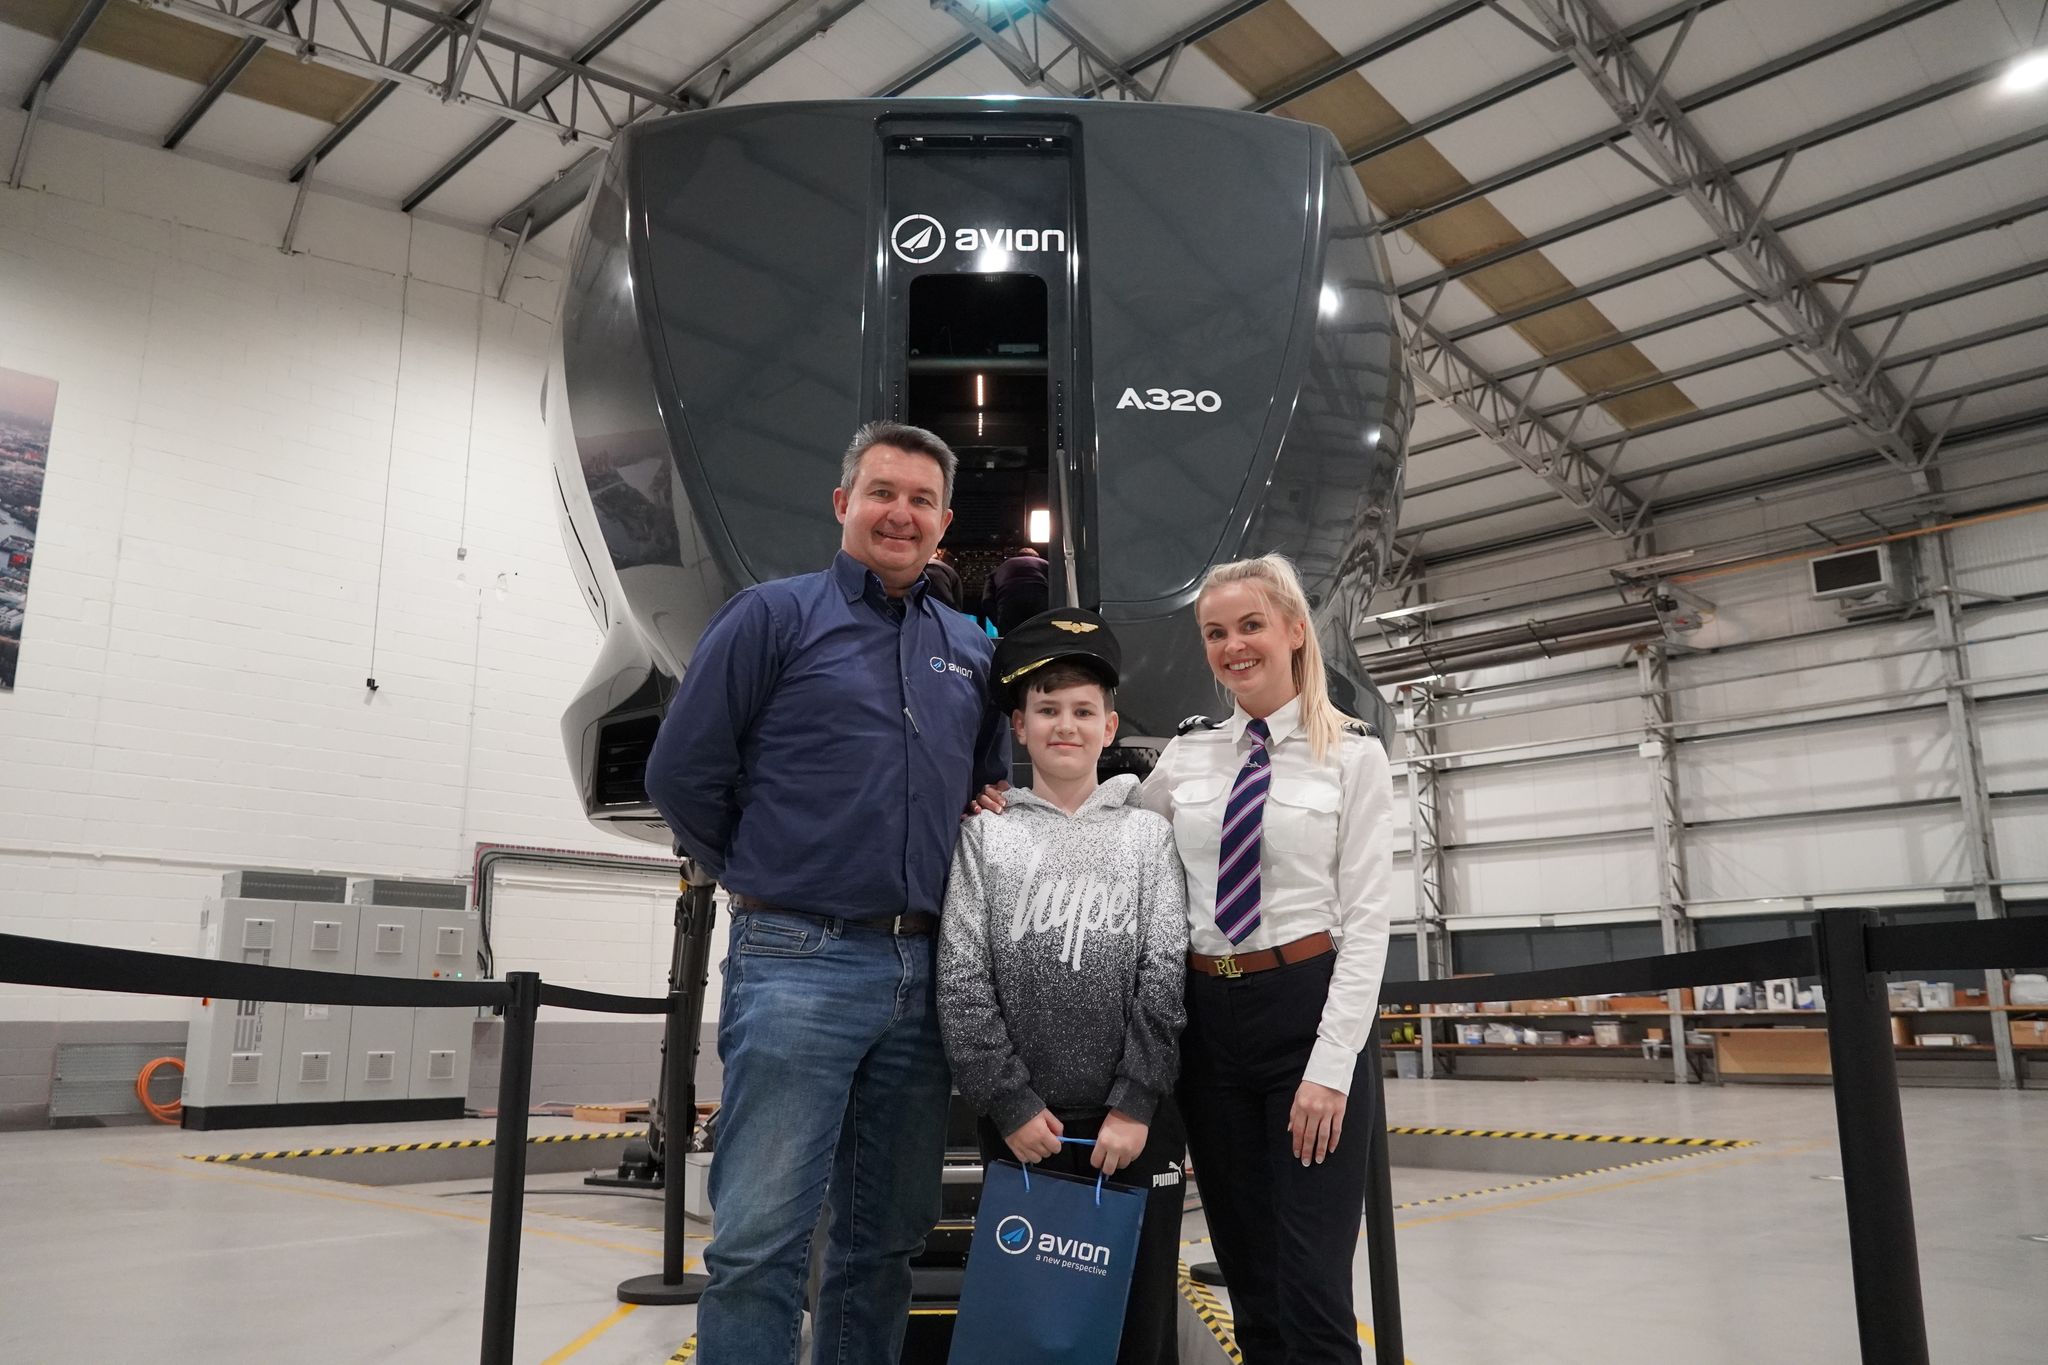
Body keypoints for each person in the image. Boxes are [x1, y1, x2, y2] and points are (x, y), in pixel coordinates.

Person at [644, 421, 1010, 1365]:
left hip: (925, 968)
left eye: (922, 499)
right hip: (797, 958)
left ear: (945, 522)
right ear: (844, 502)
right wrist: (763, 870)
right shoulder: (772, 617)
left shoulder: (969, 648)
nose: (902, 512)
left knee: (883, 1240)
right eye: (883, 491)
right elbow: (682, 772)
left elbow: (985, 785)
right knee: (759, 1239)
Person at [1139, 553, 1395, 1365]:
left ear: (1293, 630)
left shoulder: (1353, 758)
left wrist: (1330, 1065)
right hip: (1208, 1026)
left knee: (1312, 1290)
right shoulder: (1186, 758)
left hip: (1306, 1013)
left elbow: (1367, 920)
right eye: (1216, 632)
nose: (1233, 645)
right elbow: (1119, 842)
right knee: (1250, 1284)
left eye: (1250, 625)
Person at [938, 607, 1189, 1365]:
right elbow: (960, 978)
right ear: (1019, 725)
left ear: (1111, 727)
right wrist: (1009, 1101)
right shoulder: (986, 836)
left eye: (1084, 710)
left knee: (1135, 1323)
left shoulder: (1147, 834)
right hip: (1025, 1133)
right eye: (1047, 709)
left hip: (1133, 1130)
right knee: (1030, 1325)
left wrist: (1137, 1100)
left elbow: (1166, 967)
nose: (1066, 725)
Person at [981, 544, 1048, 634]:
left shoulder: (998, 569)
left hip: (1008, 604)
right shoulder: (1044, 563)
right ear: (1037, 557)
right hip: (1039, 599)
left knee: (1010, 642)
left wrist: (1000, 622)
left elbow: (986, 600)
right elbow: (1059, 587)